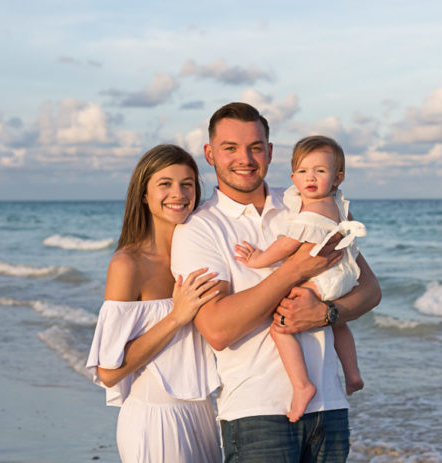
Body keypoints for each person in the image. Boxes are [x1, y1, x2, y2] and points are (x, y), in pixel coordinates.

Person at [171, 102, 381, 462]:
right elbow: (218, 330)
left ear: (270, 152)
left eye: (255, 147)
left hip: (329, 406)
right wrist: (294, 270)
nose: (245, 158)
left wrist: (326, 314)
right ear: (210, 154)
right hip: (257, 411)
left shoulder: (307, 202)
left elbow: (370, 290)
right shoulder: (198, 229)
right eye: (230, 148)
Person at [86, 145, 222, 463]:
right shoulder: (128, 264)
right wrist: (176, 317)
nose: (178, 193)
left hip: (205, 415)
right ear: (144, 195)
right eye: (165, 183)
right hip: (155, 420)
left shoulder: (202, 257)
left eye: (187, 183)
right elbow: (108, 372)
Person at [234, 135, 366, 422]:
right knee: (338, 323)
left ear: (337, 177)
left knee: (280, 326)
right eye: (304, 171)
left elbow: (288, 244)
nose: (311, 177)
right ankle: (353, 373)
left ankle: (302, 385)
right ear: (293, 176)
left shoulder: (311, 212)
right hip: (343, 276)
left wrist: (258, 259)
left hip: (323, 279)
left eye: (320, 171)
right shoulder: (337, 203)